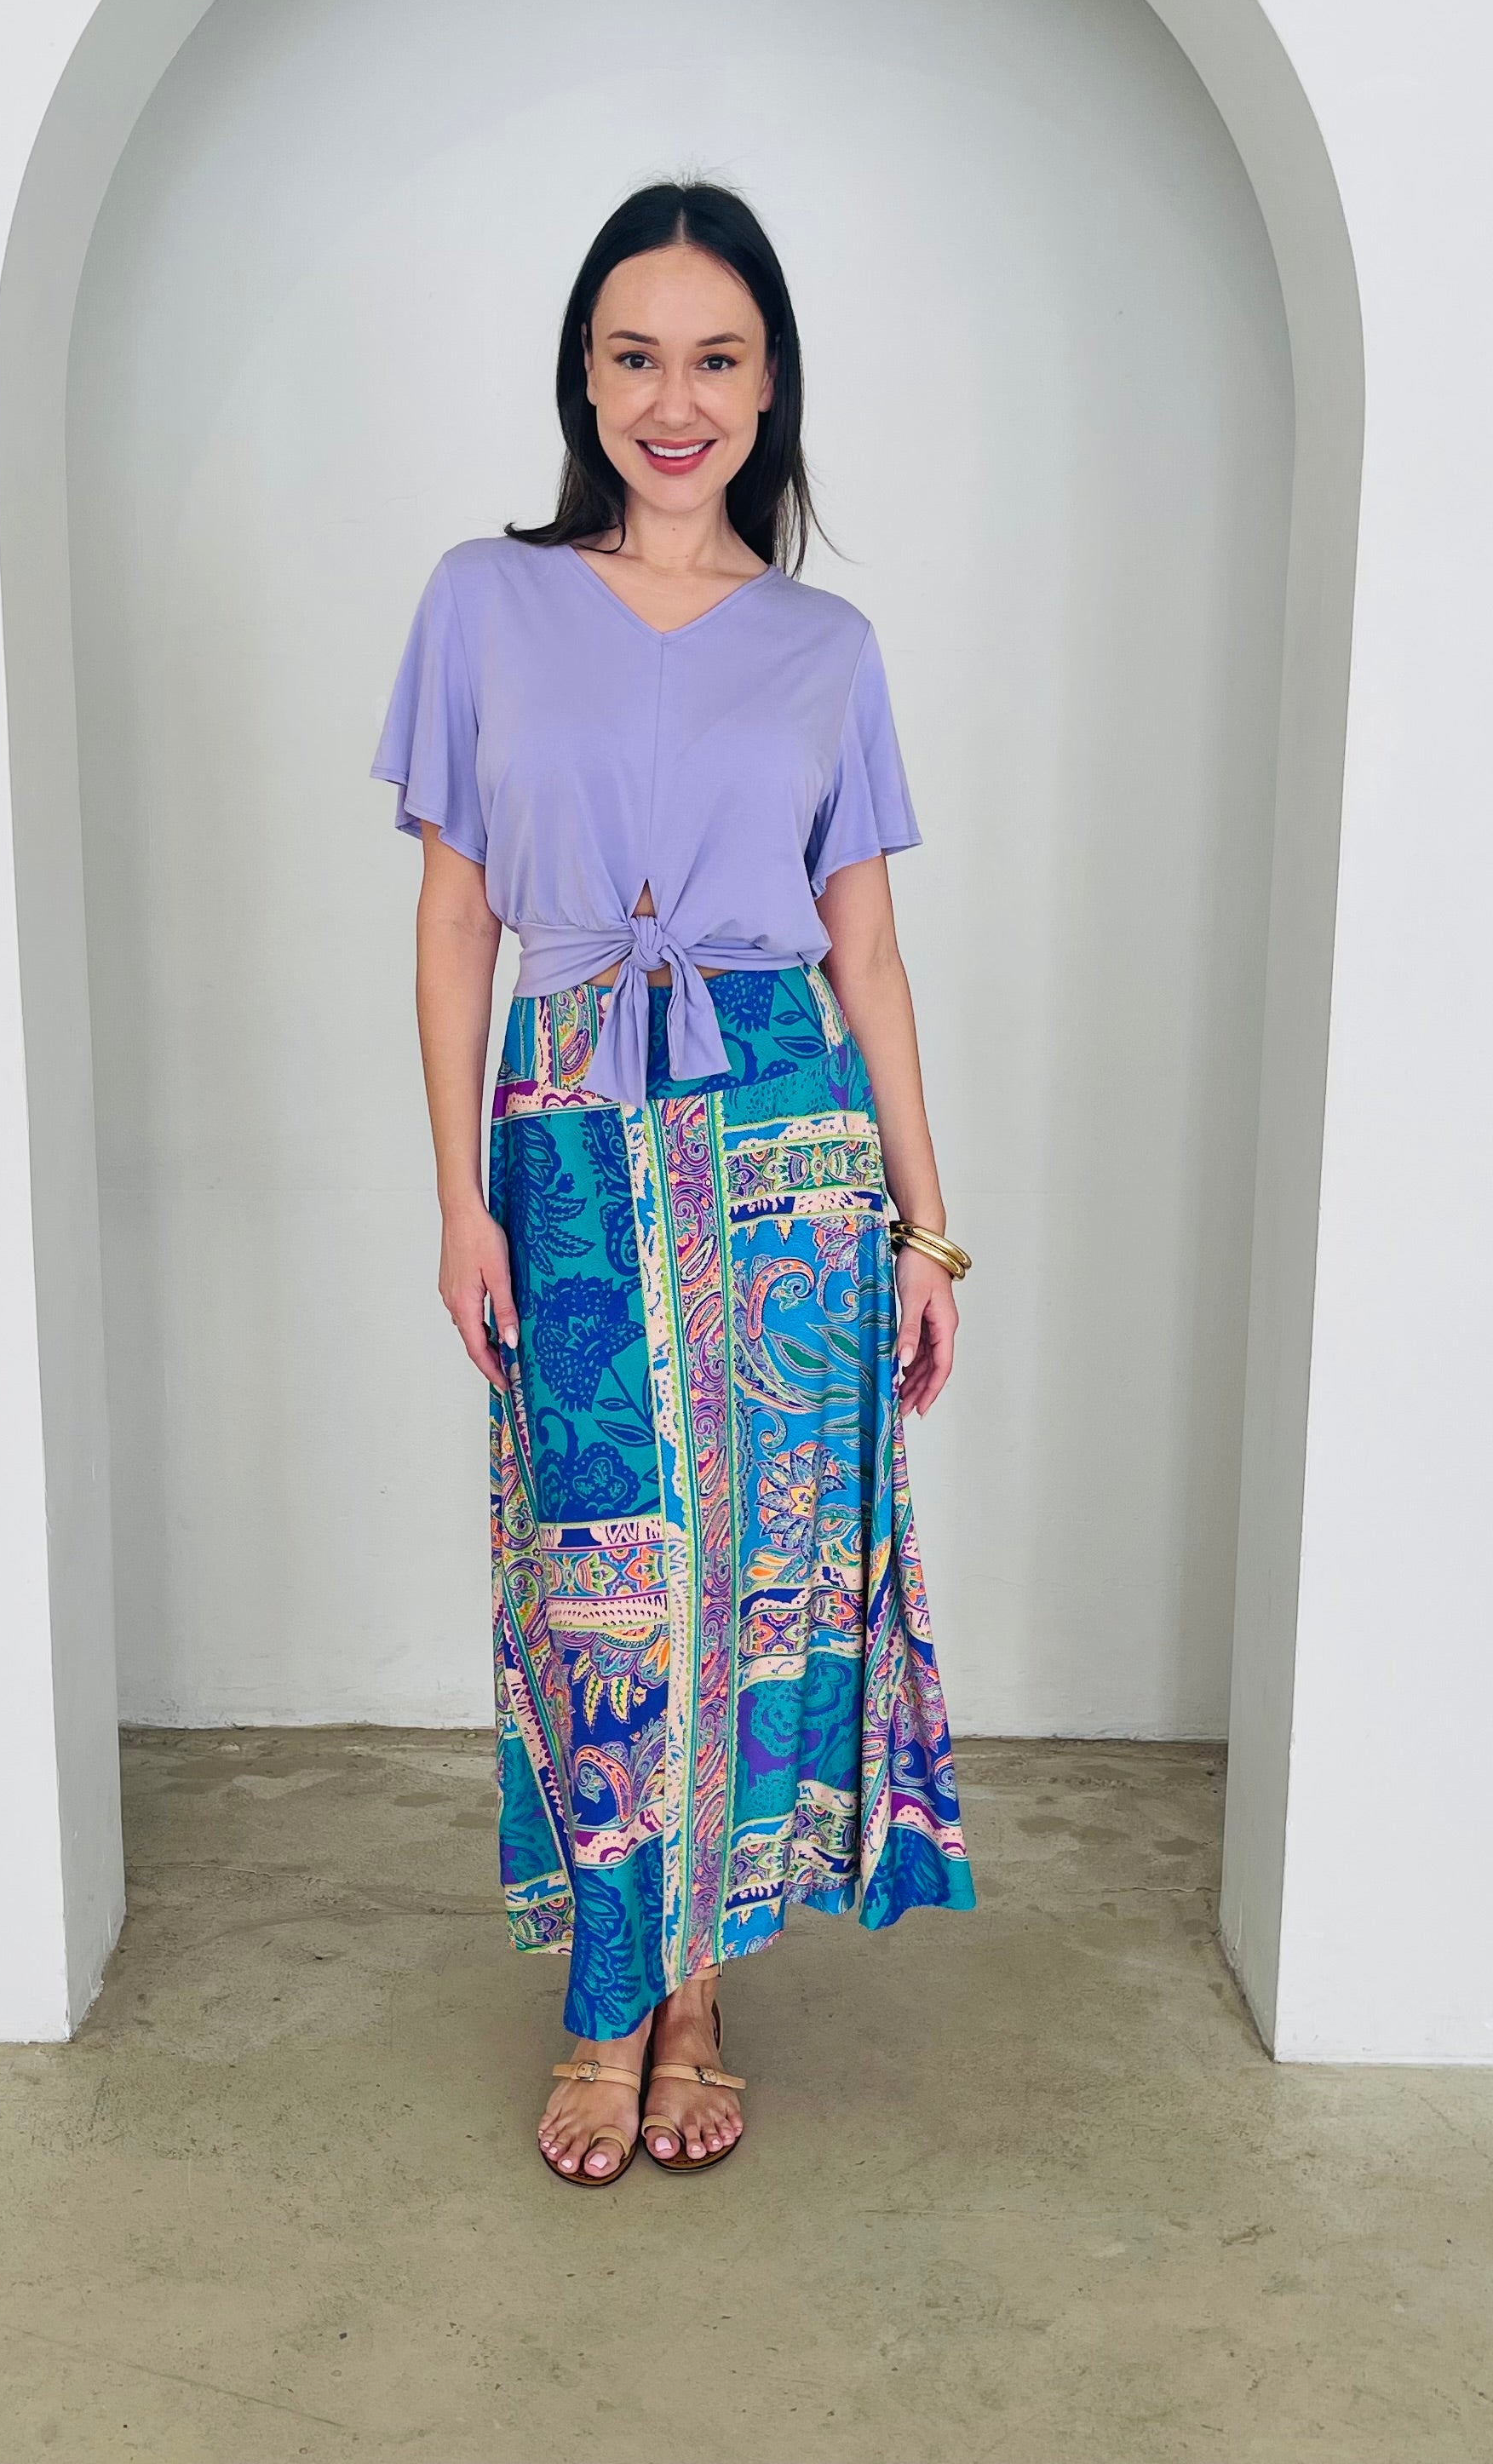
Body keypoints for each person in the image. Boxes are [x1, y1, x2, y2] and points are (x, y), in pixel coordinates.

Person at [371, 180, 975, 2185]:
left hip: (785, 1151)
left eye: (716, 357)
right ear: (585, 375)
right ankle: (604, 1993)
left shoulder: (828, 646)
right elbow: (459, 922)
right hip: (561, 1145)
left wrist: (928, 1224)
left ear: (769, 381)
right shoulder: (484, 598)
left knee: (750, 1583)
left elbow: (866, 953)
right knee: (597, 1575)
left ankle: (694, 1997)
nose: (674, 398)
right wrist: (458, 1197)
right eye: (635, 355)